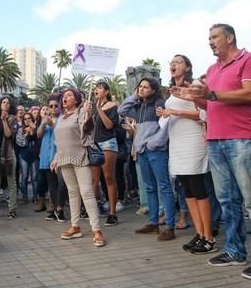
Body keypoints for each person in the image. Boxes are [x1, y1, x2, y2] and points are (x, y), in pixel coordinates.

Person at [172, 23, 251, 280]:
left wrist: (212, 94)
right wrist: (190, 96)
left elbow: (249, 94)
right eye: (208, 37)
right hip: (215, 139)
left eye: (215, 37)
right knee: (227, 200)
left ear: (229, 38)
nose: (210, 41)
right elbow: (209, 102)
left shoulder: (249, 60)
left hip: (242, 138)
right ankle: (234, 250)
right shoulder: (212, 69)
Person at [161, 54, 214, 254]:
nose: (173, 64)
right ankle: (199, 234)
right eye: (171, 62)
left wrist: (175, 113)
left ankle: (209, 237)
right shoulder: (171, 91)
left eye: (178, 62)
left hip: (193, 141)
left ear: (188, 67)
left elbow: (204, 113)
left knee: (198, 188)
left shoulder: (195, 86)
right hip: (176, 142)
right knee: (187, 189)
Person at [119, 78, 176, 241]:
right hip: (143, 151)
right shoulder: (137, 105)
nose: (141, 89)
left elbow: (165, 126)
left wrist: (153, 143)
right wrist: (134, 97)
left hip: (155, 151)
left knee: (164, 186)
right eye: (140, 86)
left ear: (153, 90)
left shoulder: (159, 103)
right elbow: (121, 111)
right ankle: (153, 223)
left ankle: (169, 226)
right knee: (150, 187)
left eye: (145, 87)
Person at [50, 88, 105, 247]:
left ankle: (96, 229)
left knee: (87, 192)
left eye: (69, 95)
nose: (65, 98)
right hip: (64, 159)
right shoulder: (60, 118)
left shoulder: (81, 113)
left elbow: (87, 130)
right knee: (73, 192)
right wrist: (56, 158)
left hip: (80, 157)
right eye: (64, 96)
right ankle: (75, 226)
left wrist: (88, 115)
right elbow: (59, 141)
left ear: (77, 99)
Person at [89, 81, 120, 226]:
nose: (96, 90)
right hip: (94, 145)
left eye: (99, 88)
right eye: (95, 88)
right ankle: (97, 206)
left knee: (108, 177)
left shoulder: (113, 106)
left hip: (108, 142)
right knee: (94, 180)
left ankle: (112, 212)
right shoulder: (93, 107)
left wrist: (100, 109)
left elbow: (109, 125)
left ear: (106, 92)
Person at [0, 96, 19, 219]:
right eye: (3, 102)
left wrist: (5, 120)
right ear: (0, 105)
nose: (6, 104)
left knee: (11, 182)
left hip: (9, 152)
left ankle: (12, 209)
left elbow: (8, 134)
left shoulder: (13, 119)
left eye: (8, 103)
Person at [38, 96, 66, 222]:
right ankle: (55, 209)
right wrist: (44, 123)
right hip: (46, 155)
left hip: (59, 154)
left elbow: (62, 134)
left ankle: (60, 208)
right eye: (51, 106)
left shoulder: (63, 118)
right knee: (52, 185)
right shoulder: (45, 119)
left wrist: (52, 124)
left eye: (56, 105)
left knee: (62, 183)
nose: (53, 108)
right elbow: (38, 134)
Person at [18, 111, 39, 204]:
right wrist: (26, 133)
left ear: (32, 119)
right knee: (24, 177)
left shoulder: (36, 128)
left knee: (34, 177)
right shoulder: (20, 129)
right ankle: (24, 197)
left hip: (34, 155)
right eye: (25, 119)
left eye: (29, 118)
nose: (27, 120)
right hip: (24, 155)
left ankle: (35, 197)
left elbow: (37, 138)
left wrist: (33, 129)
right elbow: (20, 143)